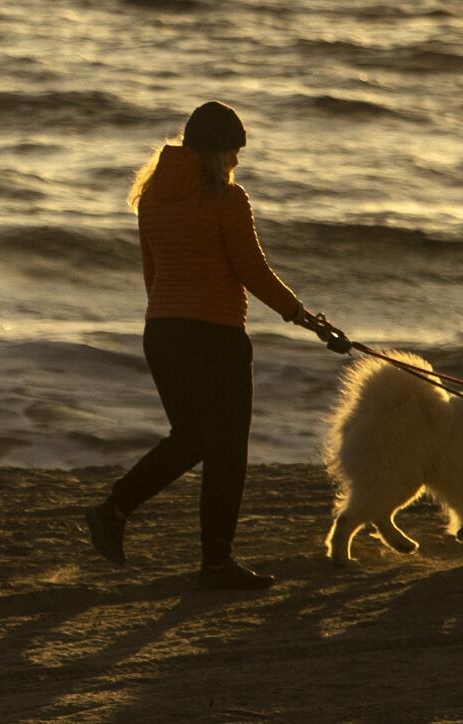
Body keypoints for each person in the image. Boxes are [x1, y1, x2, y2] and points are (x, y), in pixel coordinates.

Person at [84, 100, 328, 590]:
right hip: (215, 337)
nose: (236, 164)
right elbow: (251, 271)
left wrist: (171, 318)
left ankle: (114, 508)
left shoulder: (150, 197)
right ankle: (216, 565)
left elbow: (152, 273)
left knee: (191, 438)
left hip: (163, 332)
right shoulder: (226, 200)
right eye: (234, 153)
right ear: (217, 152)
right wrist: (301, 316)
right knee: (225, 452)